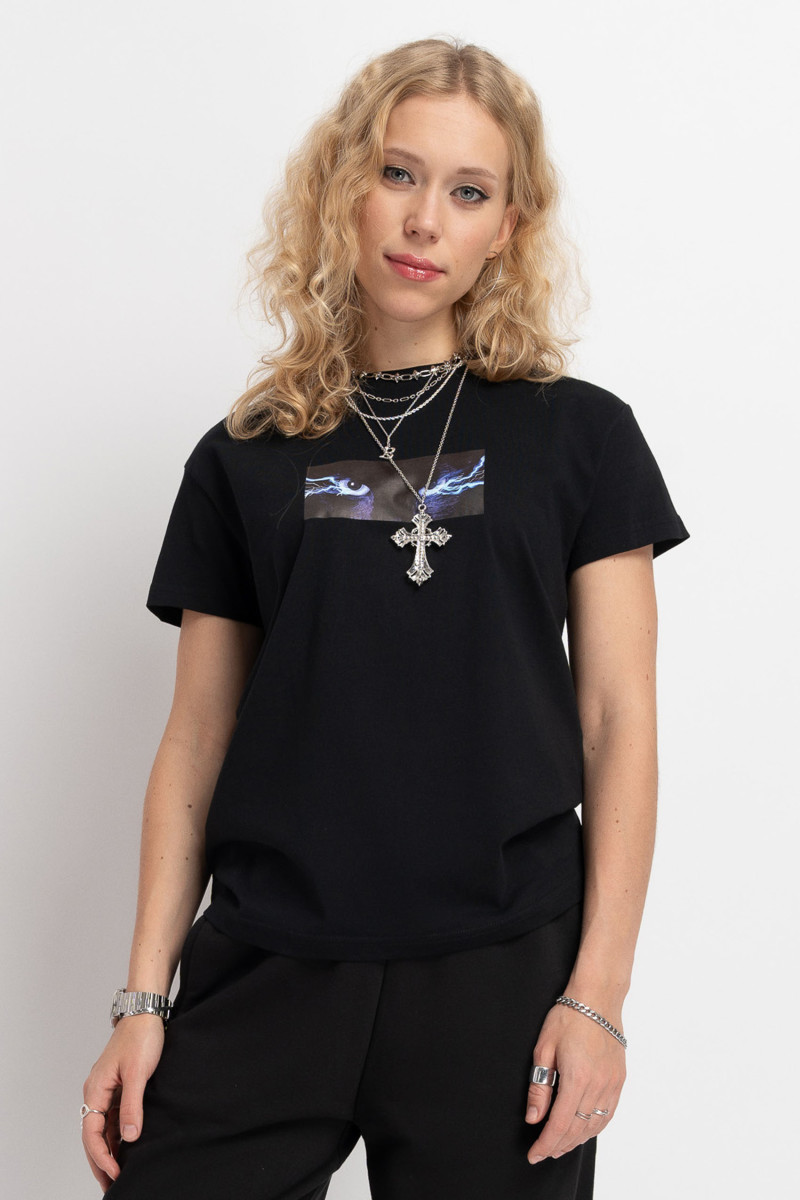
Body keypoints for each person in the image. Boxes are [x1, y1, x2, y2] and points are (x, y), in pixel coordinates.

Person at [81, 36, 690, 1200]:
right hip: (268, 962)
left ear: (506, 226)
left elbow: (615, 720)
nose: (423, 221)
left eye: (467, 192)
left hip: (499, 977)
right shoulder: (243, 457)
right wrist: (144, 998)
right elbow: (196, 739)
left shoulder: (581, 437)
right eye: (397, 174)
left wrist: (598, 996)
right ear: (342, 187)